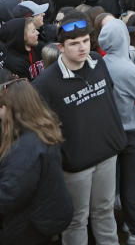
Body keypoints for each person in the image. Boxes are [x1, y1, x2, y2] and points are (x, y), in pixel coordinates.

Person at [33, 13, 126, 245]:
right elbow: (40, 127)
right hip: (75, 165)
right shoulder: (45, 83)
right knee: (76, 220)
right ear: (60, 47)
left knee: (105, 211)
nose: (82, 48)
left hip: (107, 154)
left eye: (85, 40)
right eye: (74, 43)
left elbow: (109, 100)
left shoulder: (98, 61)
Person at [98, 18, 135, 242]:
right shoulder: (126, 68)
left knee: (118, 179)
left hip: (110, 129)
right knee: (132, 180)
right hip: (131, 129)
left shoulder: (101, 63)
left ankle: (128, 217)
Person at [0, 76, 74, 244]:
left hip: (33, 224)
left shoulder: (26, 148)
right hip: (48, 212)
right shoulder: (42, 127)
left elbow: (9, 195)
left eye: (2, 106)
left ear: (13, 108)